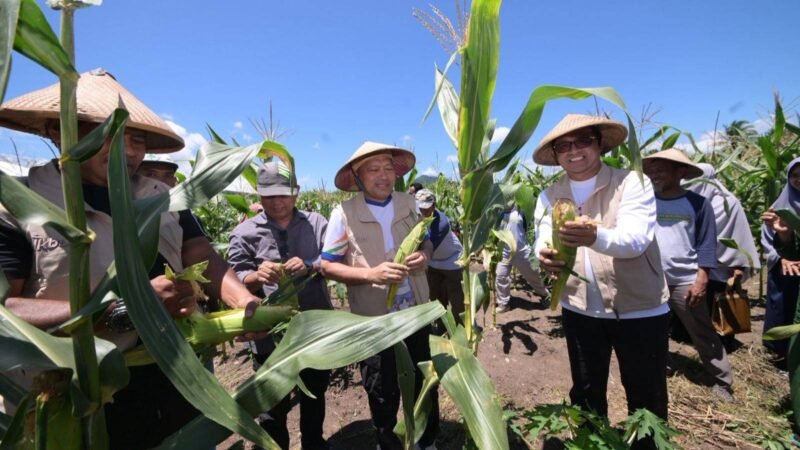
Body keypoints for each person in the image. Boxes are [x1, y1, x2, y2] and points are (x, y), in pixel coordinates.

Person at [0, 69, 261, 449]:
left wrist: (244, 301)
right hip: (79, 400)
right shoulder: (15, 208)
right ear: (58, 132)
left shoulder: (167, 199)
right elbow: (7, 313)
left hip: (175, 379)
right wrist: (130, 308)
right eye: (111, 133)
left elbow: (201, 254)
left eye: (137, 138)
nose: (130, 150)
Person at [533, 114, 670, 450]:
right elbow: (541, 237)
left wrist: (594, 235)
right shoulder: (549, 195)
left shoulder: (632, 183)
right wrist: (545, 254)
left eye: (583, 141)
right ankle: (591, 444)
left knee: (646, 398)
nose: (573, 151)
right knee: (586, 392)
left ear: (599, 144)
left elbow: (635, 240)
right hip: (580, 310)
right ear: (555, 154)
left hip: (639, 311)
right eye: (563, 146)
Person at [320, 142, 439, 450]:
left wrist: (424, 257)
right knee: (382, 389)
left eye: (388, 168)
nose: (383, 176)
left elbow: (426, 242)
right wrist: (370, 275)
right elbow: (327, 266)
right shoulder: (343, 214)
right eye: (373, 169)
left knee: (425, 380)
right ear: (358, 177)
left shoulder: (409, 204)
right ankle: (388, 442)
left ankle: (426, 440)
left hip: (415, 313)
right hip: (374, 321)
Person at [227, 161, 332, 450]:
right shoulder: (245, 232)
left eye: (283, 194)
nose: (277, 201)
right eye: (269, 195)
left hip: (313, 326)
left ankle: (314, 442)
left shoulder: (317, 223)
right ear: (259, 197)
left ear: (295, 193)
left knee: (315, 391)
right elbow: (232, 276)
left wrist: (310, 264)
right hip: (269, 333)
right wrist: (255, 275)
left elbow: (334, 258)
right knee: (271, 402)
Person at [643, 149, 734, 402]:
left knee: (701, 330)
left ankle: (722, 381)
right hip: (652, 278)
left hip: (685, 279)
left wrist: (702, 277)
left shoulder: (697, 204)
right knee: (653, 329)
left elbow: (706, 243)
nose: (654, 174)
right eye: (652, 170)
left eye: (661, 169)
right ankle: (663, 365)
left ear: (680, 171)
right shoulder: (646, 203)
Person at [685, 163, 760, 345]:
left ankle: (723, 339)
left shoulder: (728, 203)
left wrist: (739, 264)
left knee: (719, 302)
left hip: (722, 264)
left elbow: (738, 233)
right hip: (695, 263)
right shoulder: (688, 201)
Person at [761, 157, 800, 368]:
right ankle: (779, 355)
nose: (798, 180)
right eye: (794, 175)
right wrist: (782, 257)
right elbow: (767, 235)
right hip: (783, 266)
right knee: (783, 307)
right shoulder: (779, 206)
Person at [414, 188, 464, 323]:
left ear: (434, 206)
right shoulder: (414, 216)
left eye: (427, 208)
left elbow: (428, 247)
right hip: (434, 263)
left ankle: (461, 328)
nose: (423, 212)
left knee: (457, 300)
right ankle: (441, 327)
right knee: (436, 298)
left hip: (452, 261)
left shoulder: (441, 223)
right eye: (420, 208)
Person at [495, 204, 548, 313]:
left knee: (533, 275)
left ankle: (546, 296)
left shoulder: (520, 210)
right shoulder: (498, 212)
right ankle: (503, 304)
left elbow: (525, 226)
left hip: (521, 251)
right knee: (501, 276)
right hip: (505, 251)